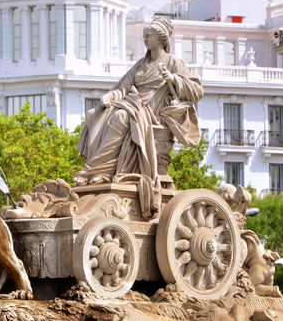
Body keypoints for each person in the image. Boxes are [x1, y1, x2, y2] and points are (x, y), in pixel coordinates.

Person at [73, 17, 203, 217]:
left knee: (121, 117)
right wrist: (110, 96)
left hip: (153, 114)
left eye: (148, 35)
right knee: (98, 115)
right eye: (144, 35)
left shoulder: (173, 63)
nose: (145, 39)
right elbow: (123, 88)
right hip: (134, 104)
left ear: (160, 39)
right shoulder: (140, 64)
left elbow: (196, 90)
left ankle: (95, 171)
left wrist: (174, 79)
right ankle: (100, 173)